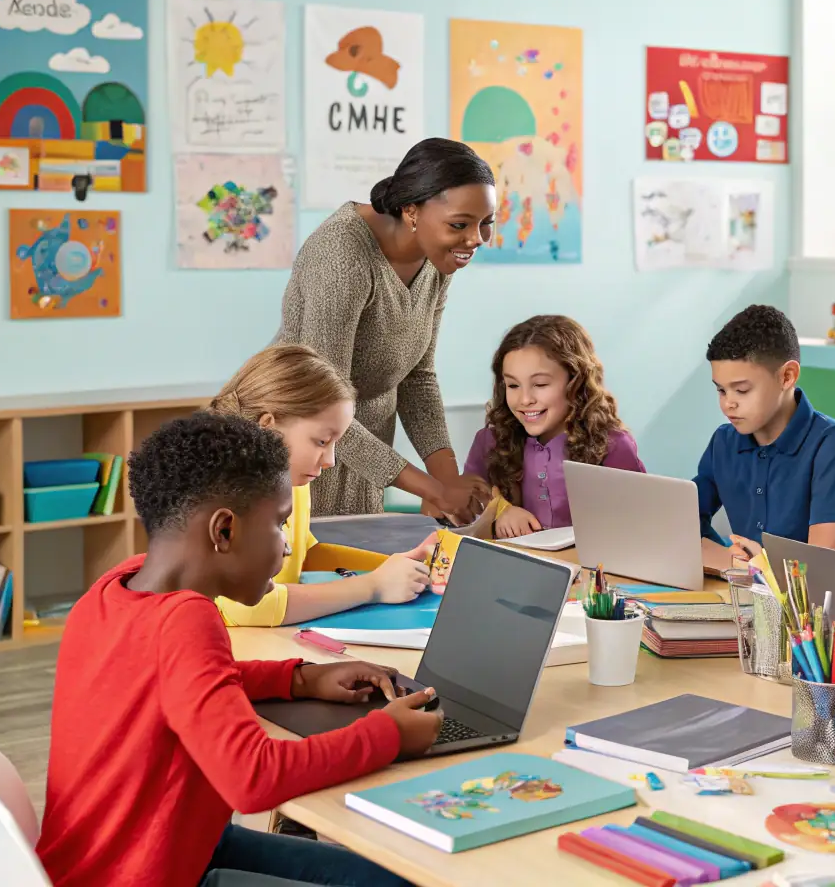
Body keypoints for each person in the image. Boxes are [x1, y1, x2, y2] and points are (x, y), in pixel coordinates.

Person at [37, 412, 445, 887]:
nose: (288, 550)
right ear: (224, 531)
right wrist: (386, 735)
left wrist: (298, 678)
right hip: (146, 871)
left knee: (386, 877)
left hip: (128, 855)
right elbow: (252, 779)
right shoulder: (185, 618)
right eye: (279, 525)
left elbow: (181, 681)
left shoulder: (114, 589)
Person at [276, 137, 496, 522]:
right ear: (412, 211)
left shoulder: (436, 257)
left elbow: (417, 377)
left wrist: (449, 484)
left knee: (355, 573)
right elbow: (320, 402)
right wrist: (435, 490)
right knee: (298, 574)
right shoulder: (341, 255)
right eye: (460, 224)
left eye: (486, 224)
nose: (475, 239)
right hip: (300, 444)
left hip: (367, 447)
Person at [209, 344, 436, 626]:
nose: (330, 460)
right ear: (268, 426)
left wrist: (394, 567)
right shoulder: (231, 496)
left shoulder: (293, 485)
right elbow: (250, 607)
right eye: (321, 441)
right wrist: (373, 586)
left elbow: (306, 554)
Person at [695, 304, 835, 557]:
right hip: (746, 593)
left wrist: (761, 563)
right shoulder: (724, 441)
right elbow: (684, 520)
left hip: (812, 596)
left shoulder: (833, 444)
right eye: (721, 390)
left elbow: (825, 564)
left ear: (787, 377)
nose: (728, 402)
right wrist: (727, 556)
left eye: (742, 390)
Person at [464, 315, 645, 539]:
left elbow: (639, 523)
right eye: (513, 385)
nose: (525, 399)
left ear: (576, 382)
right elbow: (468, 507)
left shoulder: (613, 445)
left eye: (540, 384)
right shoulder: (489, 440)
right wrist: (501, 512)